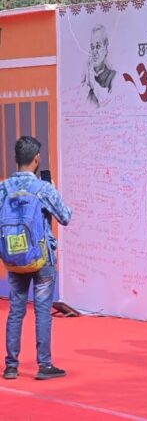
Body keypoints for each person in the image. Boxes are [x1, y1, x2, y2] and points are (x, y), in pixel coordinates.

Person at [2, 137, 72, 381]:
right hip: (42, 259)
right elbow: (65, 216)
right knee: (42, 311)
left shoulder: (3, 188)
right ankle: (44, 364)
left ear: (16, 158)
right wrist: (52, 187)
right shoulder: (43, 189)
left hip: (14, 258)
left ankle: (11, 366)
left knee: (16, 311)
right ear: (36, 159)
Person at [82, 24, 116, 107]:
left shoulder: (113, 77)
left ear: (106, 48)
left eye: (98, 46)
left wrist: (93, 83)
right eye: (92, 47)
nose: (94, 51)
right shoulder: (85, 77)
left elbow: (110, 105)